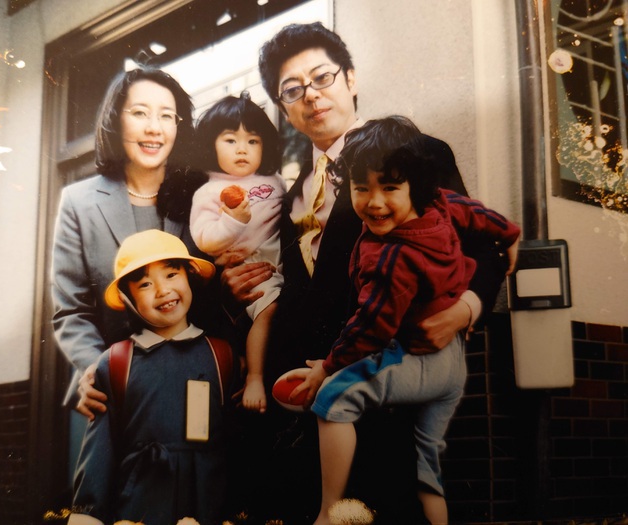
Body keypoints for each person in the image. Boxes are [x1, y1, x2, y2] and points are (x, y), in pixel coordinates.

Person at [221, 22, 512, 522]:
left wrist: (464, 311)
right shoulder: (288, 196)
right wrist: (237, 286)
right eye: (292, 90)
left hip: (388, 397)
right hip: (306, 408)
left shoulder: (416, 154)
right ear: (284, 108)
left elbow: (485, 251)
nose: (311, 95)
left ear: (351, 78)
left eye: (323, 77)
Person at [283, 116, 520, 525]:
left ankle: (327, 513)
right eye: (361, 189)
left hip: (411, 354)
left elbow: (372, 323)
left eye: (390, 188)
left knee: (334, 401)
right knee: (426, 468)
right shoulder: (437, 204)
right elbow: (477, 214)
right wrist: (510, 232)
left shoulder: (391, 252)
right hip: (444, 367)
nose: (374, 202)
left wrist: (328, 367)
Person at [52, 66, 216, 417]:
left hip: (201, 384)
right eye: (140, 113)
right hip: (119, 393)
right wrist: (97, 369)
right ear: (116, 120)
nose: (154, 128)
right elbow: (72, 310)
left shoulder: (204, 195)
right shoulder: (79, 202)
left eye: (166, 116)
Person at [67, 229, 231, 525]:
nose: (162, 290)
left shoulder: (221, 355)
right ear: (127, 298)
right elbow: (99, 451)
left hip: (207, 506)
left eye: (171, 275)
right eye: (144, 284)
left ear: (190, 276)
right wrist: (87, 514)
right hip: (139, 507)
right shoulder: (117, 362)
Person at [190, 92, 286, 413]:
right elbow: (205, 239)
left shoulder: (275, 181)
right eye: (230, 140)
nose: (242, 149)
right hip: (250, 266)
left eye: (253, 141)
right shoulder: (209, 191)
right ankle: (255, 377)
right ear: (211, 146)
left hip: (280, 260)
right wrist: (233, 221)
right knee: (268, 307)